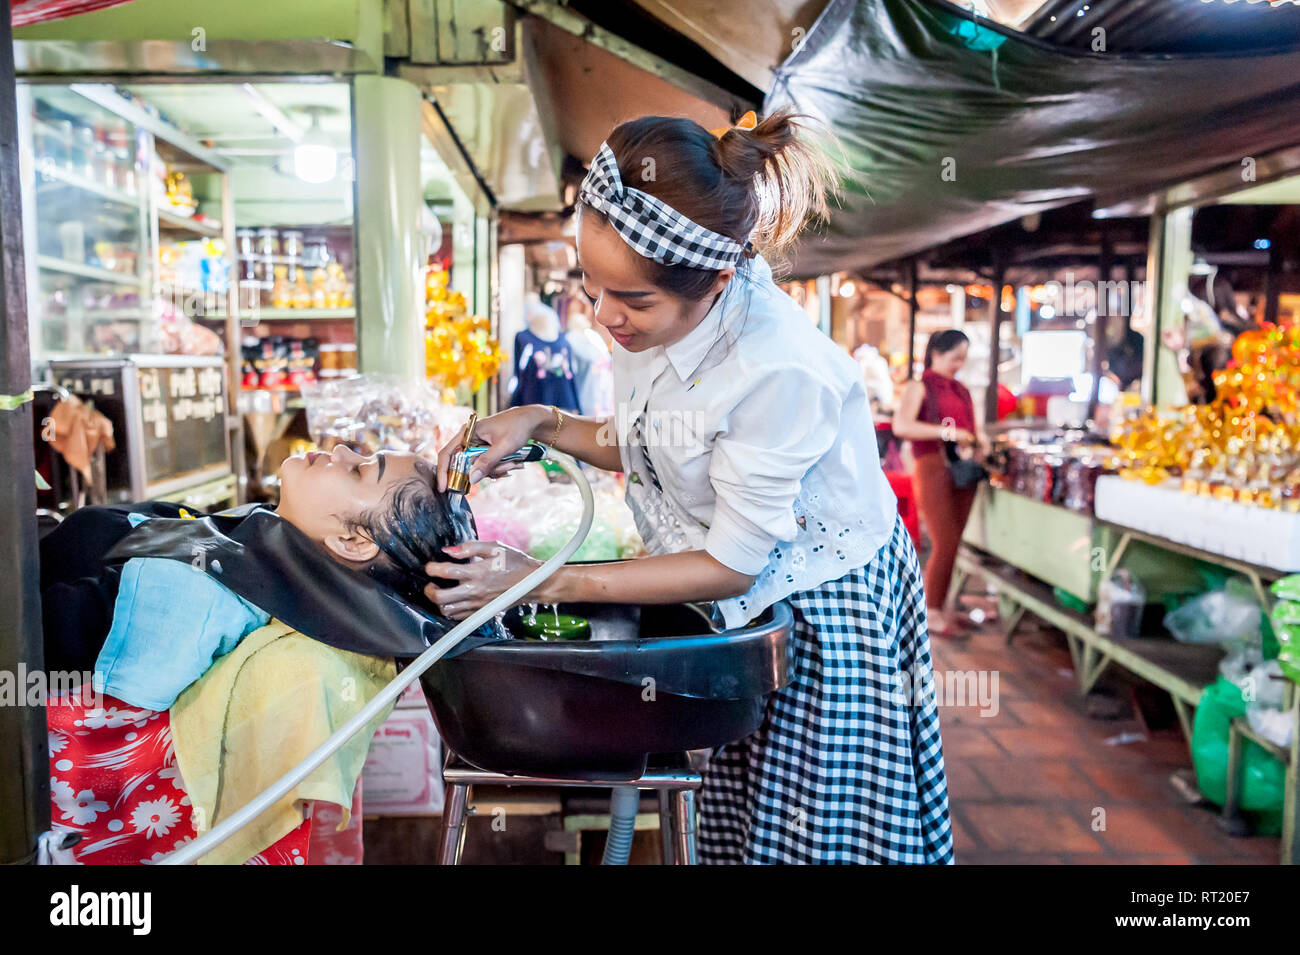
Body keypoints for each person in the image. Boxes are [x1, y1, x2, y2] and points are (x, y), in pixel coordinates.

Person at [424, 108, 953, 864]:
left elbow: (733, 562)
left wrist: (540, 580)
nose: (606, 316)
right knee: (744, 820)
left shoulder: (777, 369)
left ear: (717, 278)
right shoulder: (658, 320)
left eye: (633, 301)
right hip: (748, 583)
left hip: (822, 600)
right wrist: (538, 420)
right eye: (593, 286)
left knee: (808, 833)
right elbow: (647, 440)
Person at [891, 329, 988, 639]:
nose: (959, 363)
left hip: (962, 470)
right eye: (955, 356)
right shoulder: (918, 387)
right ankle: (930, 610)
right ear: (936, 353)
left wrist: (977, 439)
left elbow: (972, 428)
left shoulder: (961, 389)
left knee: (953, 542)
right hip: (932, 467)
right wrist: (948, 433)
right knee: (944, 541)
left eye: (963, 357)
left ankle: (939, 606)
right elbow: (901, 425)